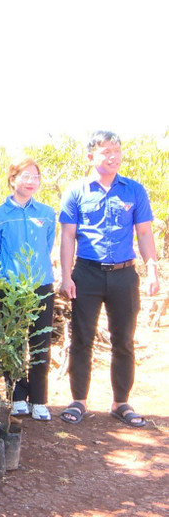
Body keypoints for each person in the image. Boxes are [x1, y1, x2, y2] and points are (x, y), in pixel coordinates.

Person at [58, 131, 160, 427]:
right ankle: (79, 400)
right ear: (91, 156)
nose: (113, 156)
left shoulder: (134, 190)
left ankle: (121, 402)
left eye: (117, 150)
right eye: (106, 151)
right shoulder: (76, 191)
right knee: (82, 339)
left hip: (124, 274)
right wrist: (67, 276)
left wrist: (151, 267)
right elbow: (67, 237)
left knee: (124, 340)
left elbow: (143, 232)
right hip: (86, 273)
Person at [0, 158, 55, 421]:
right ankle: (16, 396)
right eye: (25, 176)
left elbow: (46, 247)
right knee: (14, 342)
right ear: (12, 179)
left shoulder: (47, 213)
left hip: (41, 284)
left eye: (35, 177)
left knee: (40, 342)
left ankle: (39, 399)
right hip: (11, 287)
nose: (31, 181)